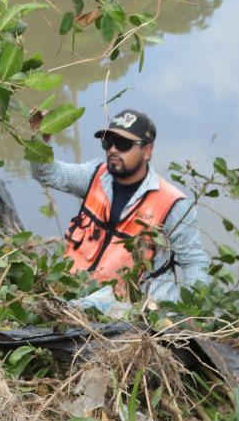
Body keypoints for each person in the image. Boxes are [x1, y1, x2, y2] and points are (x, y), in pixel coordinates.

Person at [31, 109, 210, 304]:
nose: (113, 150)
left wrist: (194, 314)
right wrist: (40, 137)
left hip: (137, 318)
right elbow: (47, 174)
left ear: (147, 151)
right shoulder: (95, 176)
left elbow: (193, 261)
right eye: (108, 142)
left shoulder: (173, 204)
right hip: (77, 303)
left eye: (123, 144)